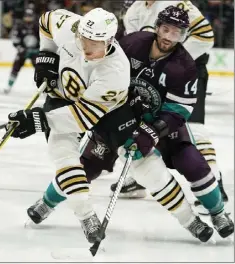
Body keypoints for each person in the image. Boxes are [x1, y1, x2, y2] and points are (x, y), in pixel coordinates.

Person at [80, 5, 234, 239]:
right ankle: (50, 200)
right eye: (165, 30)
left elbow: (178, 110)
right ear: (157, 27)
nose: (169, 37)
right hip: (127, 116)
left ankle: (217, 211)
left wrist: (154, 131)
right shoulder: (133, 41)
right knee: (87, 164)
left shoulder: (184, 65)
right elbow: (109, 72)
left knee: (193, 163)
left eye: (177, 33)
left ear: (183, 36)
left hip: (163, 121)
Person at [6, 8, 131, 243]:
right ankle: (85, 214)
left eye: (94, 43)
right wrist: (47, 56)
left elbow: (82, 116)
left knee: (103, 163)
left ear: (110, 41)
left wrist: (38, 120)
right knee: (62, 152)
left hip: (109, 112)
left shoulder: (116, 72)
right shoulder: (71, 27)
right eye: (84, 39)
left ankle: (51, 200)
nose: (86, 47)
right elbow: (46, 22)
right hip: (62, 97)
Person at [112, 0, 228, 206]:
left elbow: (205, 35)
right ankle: (142, 179)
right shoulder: (134, 9)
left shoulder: (174, 2)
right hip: (153, 76)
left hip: (186, 73)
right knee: (145, 124)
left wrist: (175, 66)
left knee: (193, 128)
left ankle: (214, 180)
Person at [4, 9, 39, 94]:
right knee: (15, 67)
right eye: (26, 16)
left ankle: (43, 88)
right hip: (23, 51)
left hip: (35, 52)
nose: (28, 18)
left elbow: (43, 40)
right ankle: (9, 86)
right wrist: (20, 48)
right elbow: (15, 40)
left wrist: (38, 49)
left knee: (40, 69)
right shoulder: (20, 27)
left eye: (29, 16)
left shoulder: (37, 27)